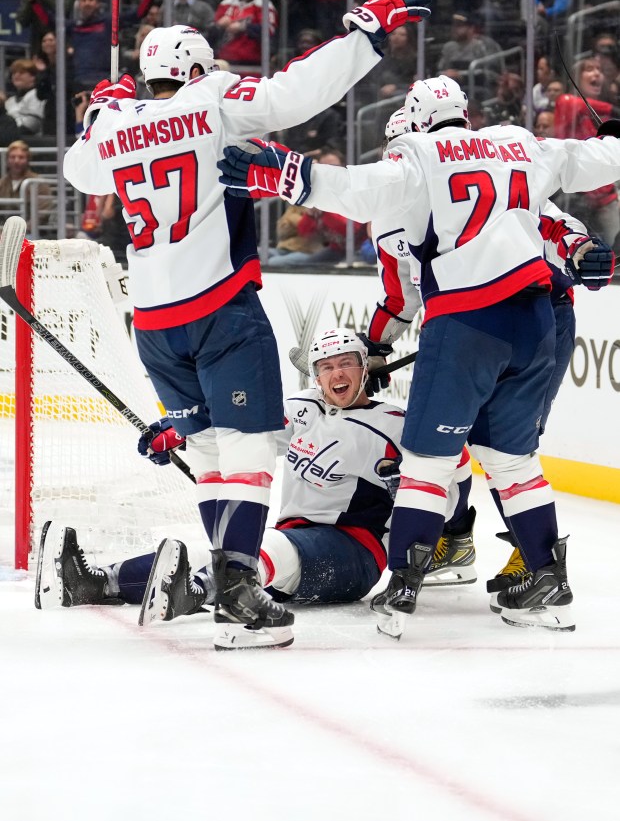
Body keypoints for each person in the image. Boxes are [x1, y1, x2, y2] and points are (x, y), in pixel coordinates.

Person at [60, 0, 433, 650]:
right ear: (196, 69)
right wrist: (366, 35)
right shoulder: (213, 99)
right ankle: (237, 591)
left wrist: (99, 111)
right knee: (250, 451)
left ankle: (226, 581)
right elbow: (296, 94)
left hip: (152, 324)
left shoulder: (114, 123)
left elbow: (80, 171)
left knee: (209, 457)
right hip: (219, 309)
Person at [218, 74, 619, 638]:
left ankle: (405, 585)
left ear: (413, 126)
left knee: (428, 457)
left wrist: (284, 171)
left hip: (467, 319)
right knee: (510, 456)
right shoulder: (516, 143)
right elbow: (575, 186)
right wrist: (591, 228)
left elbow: (356, 195)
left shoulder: (416, 161)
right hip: (539, 318)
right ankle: (544, 576)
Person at [34, 329, 414, 629]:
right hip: (291, 539)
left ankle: (197, 592)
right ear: (315, 376)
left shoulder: (393, 425)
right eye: (326, 367)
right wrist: (183, 430)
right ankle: (95, 582)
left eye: (346, 363)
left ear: (364, 369)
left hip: (355, 553)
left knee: (261, 551)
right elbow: (240, 431)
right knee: (219, 554)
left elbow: (433, 493)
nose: (337, 374)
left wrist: (405, 493)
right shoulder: (304, 408)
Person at [554, 55, 620, 244]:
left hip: (605, 199)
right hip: (574, 196)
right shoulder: (566, 102)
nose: (597, 73)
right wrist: (614, 110)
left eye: (599, 69)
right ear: (576, 77)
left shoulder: (604, 115)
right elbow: (571, 102)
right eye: (589, 69)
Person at [213, 0, 277, 70]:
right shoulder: (227, 2)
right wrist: (219, 25)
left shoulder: (263, 4)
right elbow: (212, 31)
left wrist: (244, 27)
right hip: (225, 61)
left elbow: (269, 30)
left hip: (253, 63)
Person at [0, 139, 53, 231]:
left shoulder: (38, 183)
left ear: (28, 160)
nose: (16, 161)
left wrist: (21, 230)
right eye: (12, 157)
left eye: (21, 157)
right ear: (7, 160)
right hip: (5, 232)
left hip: (33, 233)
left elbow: (42, 213)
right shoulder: (2, 183)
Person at [5, 59, 46, 136]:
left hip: (31, 140)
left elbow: (33, 125)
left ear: (33, 77)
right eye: (14, 73)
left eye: (21, 72)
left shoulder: (36, 95)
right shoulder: (9, 101)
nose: (16, 75)